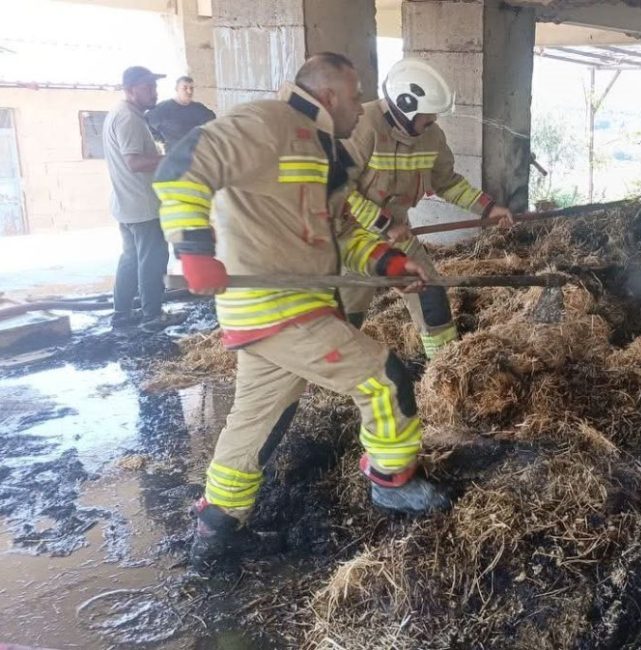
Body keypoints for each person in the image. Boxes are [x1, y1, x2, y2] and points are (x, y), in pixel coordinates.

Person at [152, 52, 447, 568]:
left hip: (289, 307)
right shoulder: (264, 123)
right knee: (385, 379)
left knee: (256, 420)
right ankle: (392, 481)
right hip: (278, 306)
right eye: (357, 96)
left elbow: (343, 233)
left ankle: (218, 521)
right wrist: (195, 249)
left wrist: (390, 263)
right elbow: (182, 168)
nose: (362, 107)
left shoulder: (327, 153)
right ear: (330, 94)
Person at [341, 58, 514, 359]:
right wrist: (384, 225)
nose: (433, 120)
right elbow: (339, 189)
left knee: (430, 293)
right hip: (353, 237)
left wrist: (488, 209)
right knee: (346, 312)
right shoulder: (361, 125)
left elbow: (447, 181)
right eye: (427, 115)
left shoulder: (431, 137)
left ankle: (445, 366)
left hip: (398, 232)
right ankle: (335, 375)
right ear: (405, 106)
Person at [103, 66, 185, 333]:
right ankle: (152, 315)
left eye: (154, 86)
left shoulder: (119, 112)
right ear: (130, 90)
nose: (154, 91)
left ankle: (122, 313)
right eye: (147, 87)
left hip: (126, 204)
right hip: (142, 205)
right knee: (153, 258)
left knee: (130, 257)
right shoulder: (129, 118)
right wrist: (171, 159)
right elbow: (134, 162)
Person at [146, 76, 216, 151]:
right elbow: (147, 124)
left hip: (198, 155)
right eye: (185, 88)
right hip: (174, 156)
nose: (189, 91)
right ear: (176, 89)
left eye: (191, 88)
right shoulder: (161, 109)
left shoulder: (199, 108)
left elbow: (213, 123)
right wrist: (162, 140)